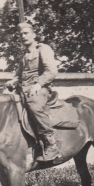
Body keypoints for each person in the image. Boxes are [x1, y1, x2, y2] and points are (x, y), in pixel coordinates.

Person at [5, 22, 62, 162]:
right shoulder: (24, 55)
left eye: (26, 33)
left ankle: (51, 144)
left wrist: (38, 84)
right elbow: (19, 75)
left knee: (33, 105)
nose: (23, 36)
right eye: (21, 34)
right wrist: (12, 81)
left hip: (41, 89)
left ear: (33, 35)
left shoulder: (43, 49)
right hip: (24, 89)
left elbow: (52, 71)